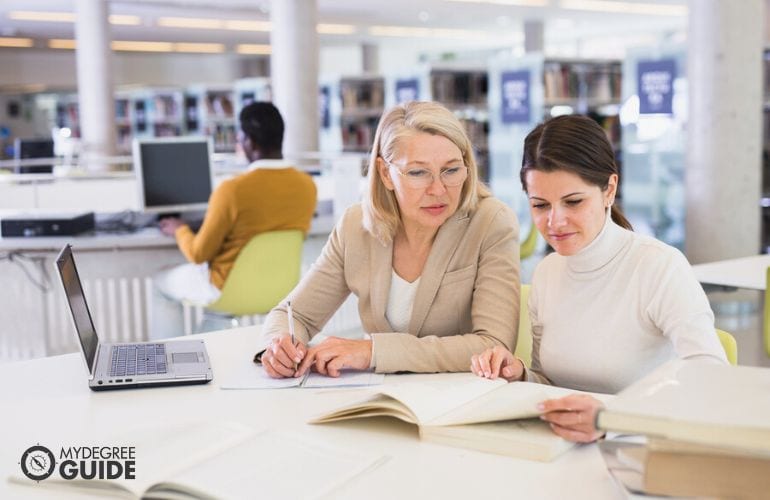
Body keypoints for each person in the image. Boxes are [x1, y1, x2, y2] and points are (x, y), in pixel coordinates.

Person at [470, 114, 727, 443]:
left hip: (644, 451)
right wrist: (521, 374)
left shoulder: (659, 267)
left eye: (573, 202)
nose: (555, 221)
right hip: (566, 451)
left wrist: (611, 421)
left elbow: (712, 380)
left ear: (609, 189)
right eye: (540, 205)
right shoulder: (548, 272)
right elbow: (553, 383)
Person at [258, 101, 520, 378]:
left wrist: (373, 351)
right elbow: (294, 315)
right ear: (386, 173)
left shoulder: (490, 222)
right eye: (418, 173)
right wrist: (279, 347)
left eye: (452, 170)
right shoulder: (355, 226)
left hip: (459, 400)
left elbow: (493, 345)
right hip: (379, 399)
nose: (438, 189)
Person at [152, 102, 317, 337]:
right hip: (279, 289)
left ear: (249, 141)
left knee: (160, 283)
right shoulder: (307, 186)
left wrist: (180, 229)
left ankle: (165, 363)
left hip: (225, 288)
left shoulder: (232, 190)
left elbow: (198, 254)